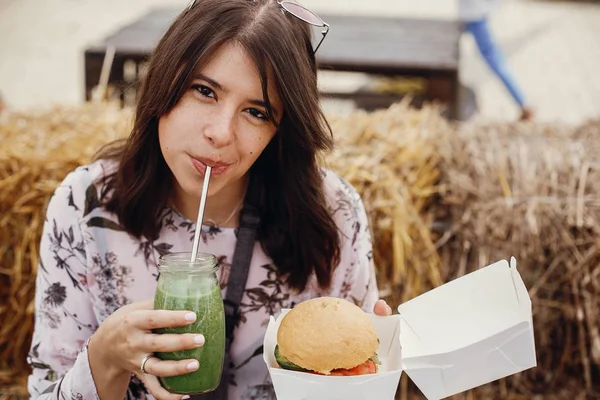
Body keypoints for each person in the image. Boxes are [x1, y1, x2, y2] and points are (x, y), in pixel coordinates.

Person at [26, 0, 392, 399]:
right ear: (163, 80)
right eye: (204, 91)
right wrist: (106, 357)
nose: (221, 133)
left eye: (256, 112)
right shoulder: (85, 207)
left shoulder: (332, 212)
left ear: (279, 128)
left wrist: (366, 379)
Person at [459, 0, 534, 121]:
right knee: (493, 58)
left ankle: (523, 104)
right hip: (473, 13)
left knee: (494, 60)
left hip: (474, 14)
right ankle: (523, 104)